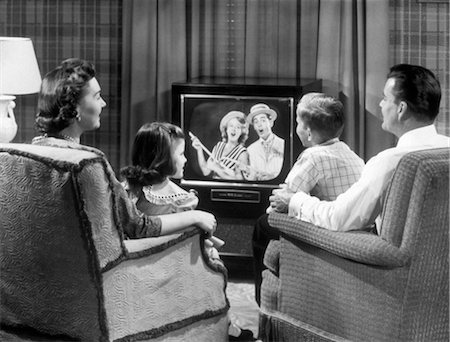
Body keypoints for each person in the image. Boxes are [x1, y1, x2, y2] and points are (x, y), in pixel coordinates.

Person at [32, 58, 217, 239]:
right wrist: (195, 216)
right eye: (97, 96)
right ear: (75, 108)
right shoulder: (89, 162)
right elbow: (137, 227)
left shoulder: (30, 151)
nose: (103, 103)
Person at [120, 121, 255, 342]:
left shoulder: (130, 189)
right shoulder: (179, 200)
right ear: (161, 157)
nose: (185, 159)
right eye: (181, 154)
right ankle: (227, 325)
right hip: (169, 269)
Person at [286, 64, 449, 233]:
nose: (380, 104)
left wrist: (295, 201)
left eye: (385, 98)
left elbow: (338, 219)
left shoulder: (390, 162)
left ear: (401, 109)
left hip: (376, 255)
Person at [252, 93, 365, 304]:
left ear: (309, 134)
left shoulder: (313, 157)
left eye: (297, 123)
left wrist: (278, 207)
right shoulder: (350, 153)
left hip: (328, 233)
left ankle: (263, 303)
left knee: (263, 224)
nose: (295, 128)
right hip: (352, 231)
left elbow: (281, 200)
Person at [190, 110, 250, 180]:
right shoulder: (219, 146)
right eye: (231, 126)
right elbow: (206, 171)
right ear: (226, 129)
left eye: (238, 127)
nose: (234, 129)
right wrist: (199, 149)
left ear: (241, 132)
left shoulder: (242, 153)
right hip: (214, 188)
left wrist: (217, 169)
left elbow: (239, 180)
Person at [243, 103, 285, 181]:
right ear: (254, 127)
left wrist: (272, 176)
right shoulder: (250, 149)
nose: (259, 125)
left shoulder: (283, 145)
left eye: (263, 120)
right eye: (256, 122)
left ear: (271, 122)